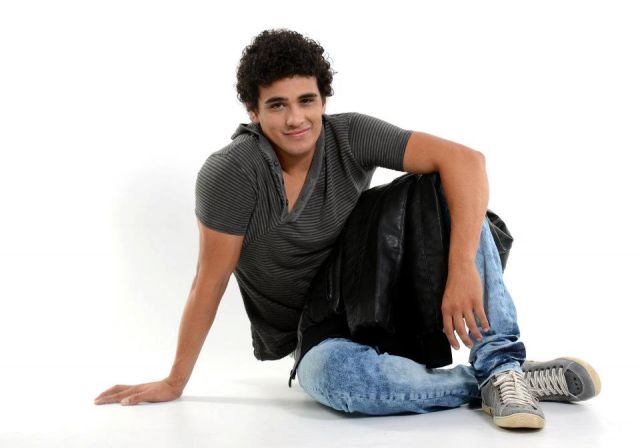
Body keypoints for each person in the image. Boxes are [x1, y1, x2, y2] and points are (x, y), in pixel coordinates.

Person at [94, 28, 601, 430]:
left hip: (379, 287)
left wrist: (462, 267)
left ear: (323, 100)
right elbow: (209, 280)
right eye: (277, 105)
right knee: (341, 383)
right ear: (253, 111)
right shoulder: (232, 174)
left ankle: (502, 362)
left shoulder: (350, 134)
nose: (296, 118)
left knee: (445, 184)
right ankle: (494, 382)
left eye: (307, 100)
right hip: (317, 325)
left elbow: (467, 161)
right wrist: (175, 381)